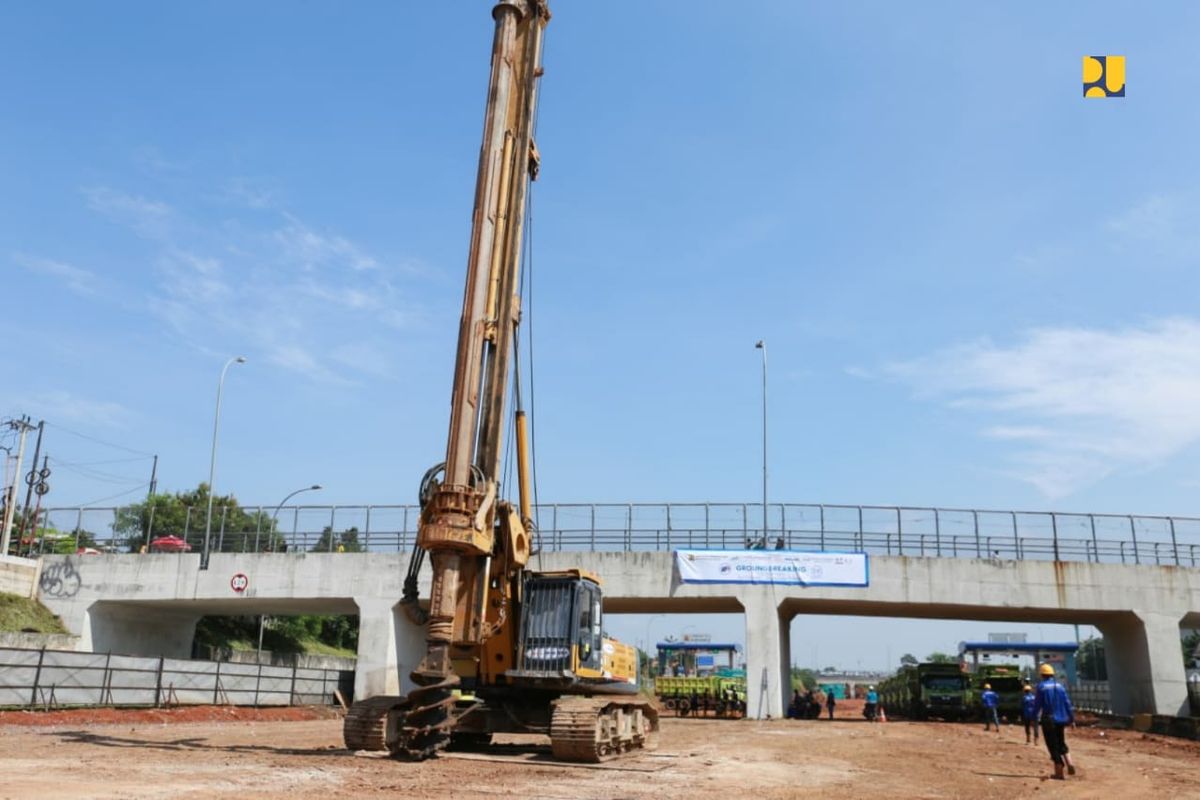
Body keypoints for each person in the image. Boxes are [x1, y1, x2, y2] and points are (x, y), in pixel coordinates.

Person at [1033, 663, 1077, 780]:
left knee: (1052, 746)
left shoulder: (1041, 687)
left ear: (1042, 674)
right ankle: (1070, 763)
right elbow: (1067, 704)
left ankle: (1059, 772)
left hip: (1049, 720)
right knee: (1061, 742)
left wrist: (1033, 718)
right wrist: (1071, 719)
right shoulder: (1060, 686)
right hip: (1061, 719)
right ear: (1052, 674)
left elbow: (1037, 705)